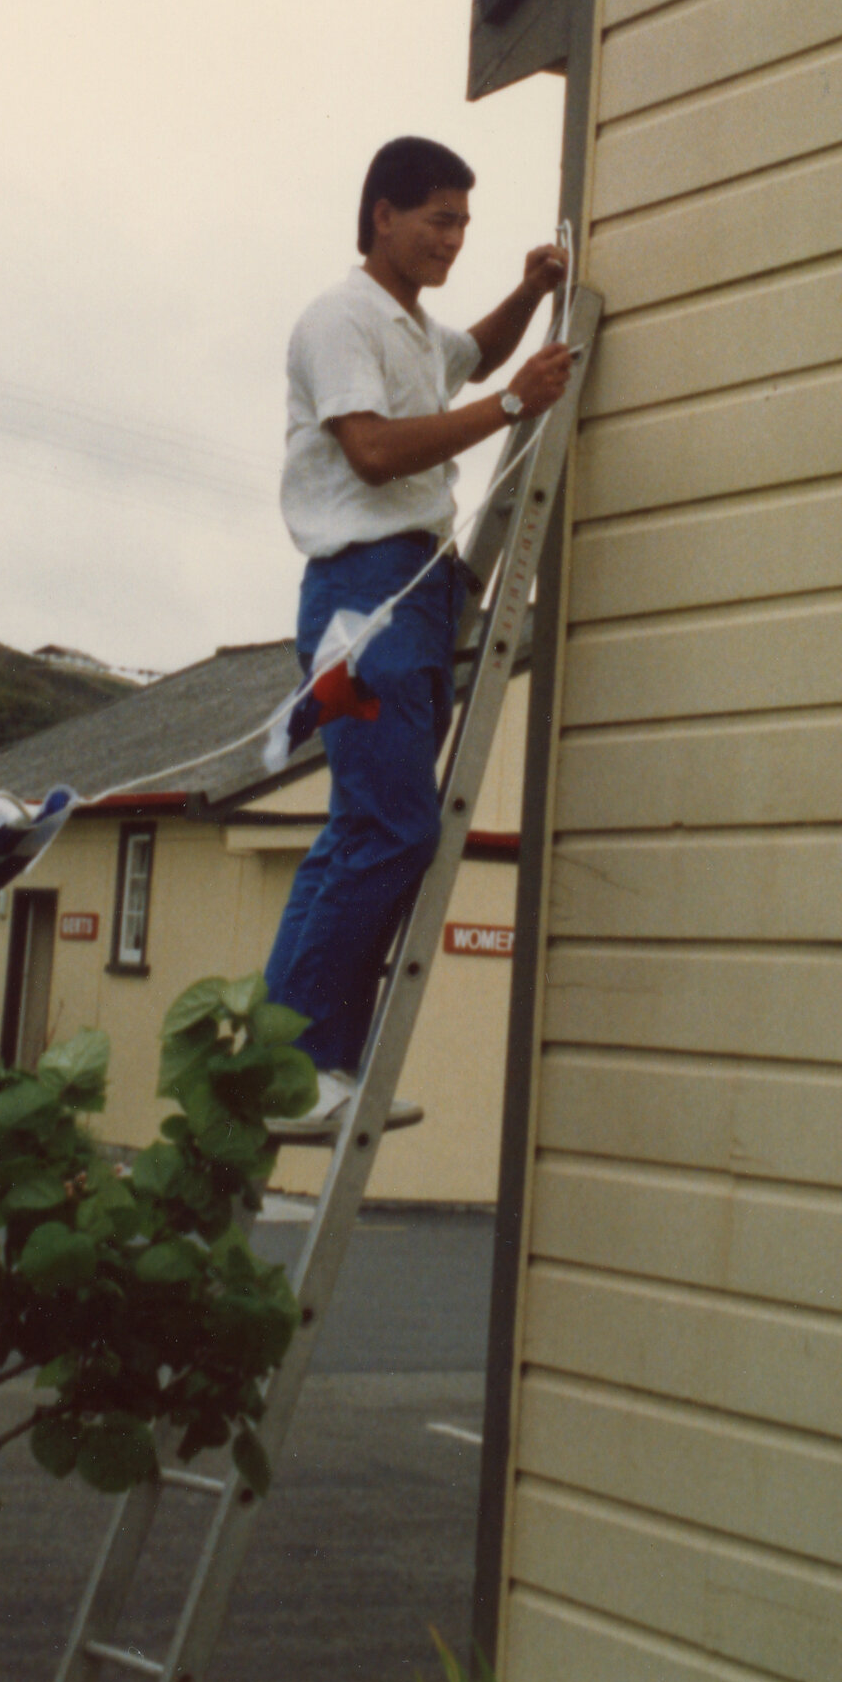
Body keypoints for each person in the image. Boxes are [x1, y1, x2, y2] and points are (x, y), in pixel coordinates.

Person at [263, 135, 574, 1132]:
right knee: (385, 825)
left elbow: (469, 351)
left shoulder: (408, 327)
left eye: (464, 224)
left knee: (375, 828)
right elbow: (371, 449)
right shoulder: (339, 318)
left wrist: (528, 293)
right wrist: (515, 402)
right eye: (437, 219)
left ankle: (322, 1066)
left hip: (418, 589)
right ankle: (289, 1065)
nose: (452, 239)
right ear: (381, 213)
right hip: (362, 594)